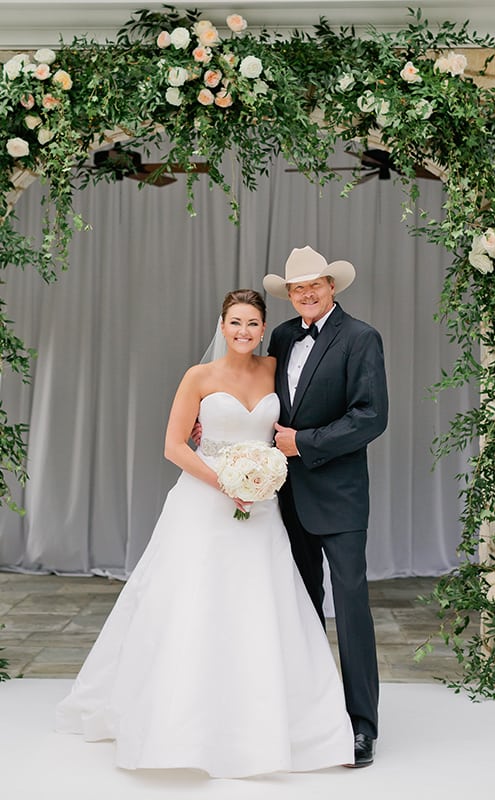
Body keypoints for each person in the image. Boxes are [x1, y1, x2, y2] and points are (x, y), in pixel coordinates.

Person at [55, 289, 354, 778]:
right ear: (222, 325)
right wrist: (227, 484)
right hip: (204, 502)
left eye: (253, 323)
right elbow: (174, 445)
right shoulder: (199, 377)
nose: (244, 331)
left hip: (261, 507)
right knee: (193, 603)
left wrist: (257, 479)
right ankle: (182, 724)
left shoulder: (273, 369)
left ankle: (277, 723)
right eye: (235, 322)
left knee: (262, 605)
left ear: (263, 328)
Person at [263, 246, 388, 768]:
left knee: (351, 608)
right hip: (286, 496)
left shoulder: (360, 338)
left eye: (315, 284)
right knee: (299, 604)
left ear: (332, 287)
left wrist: (305, 443)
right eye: (297, 288)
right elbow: (264, 401)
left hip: (338, 497)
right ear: (289, 295)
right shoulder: (283, 336)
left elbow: (370, 417)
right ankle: (309, 712)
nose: (307, 294)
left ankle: (362, 725)